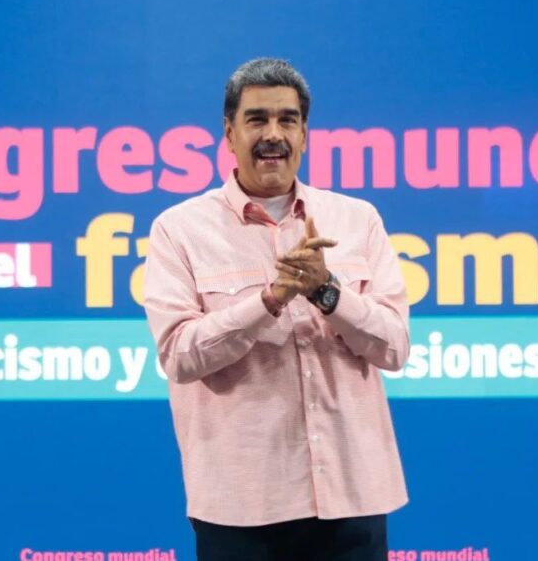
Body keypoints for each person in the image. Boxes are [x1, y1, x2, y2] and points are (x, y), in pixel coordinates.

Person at [143, 58, 409, 561]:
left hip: (352, 498)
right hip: (243, 506)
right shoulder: (179, 230)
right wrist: (269, 301)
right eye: (257, 119)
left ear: (304, 134)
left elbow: (395, 347)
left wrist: (328, 293)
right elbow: (179, 356)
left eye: (288, 120)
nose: (273, 134)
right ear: (229, 133)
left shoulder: (358, 219)